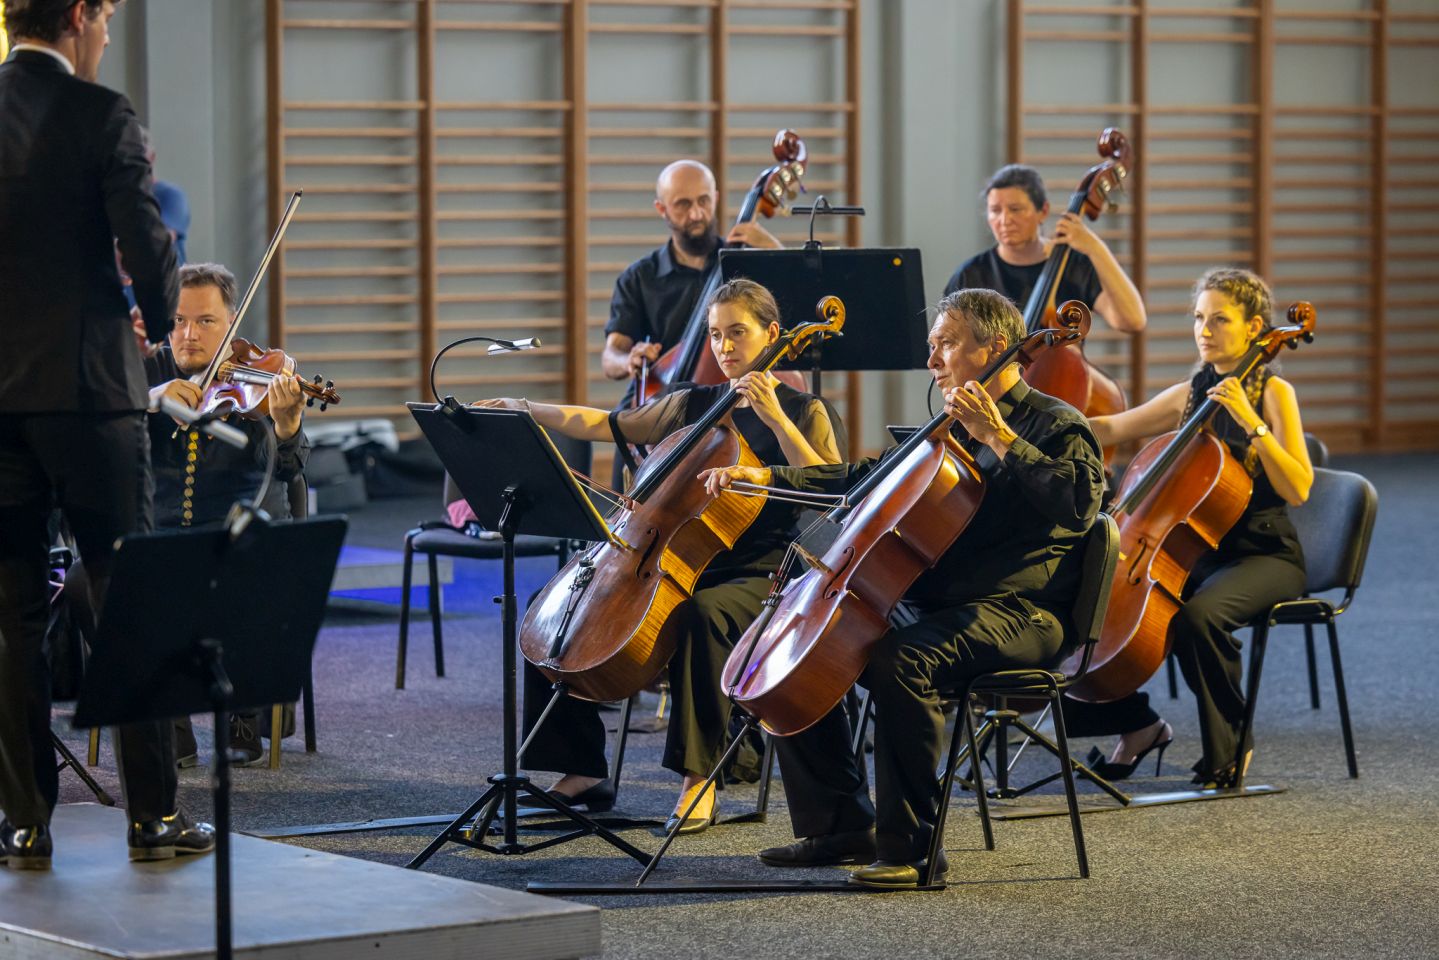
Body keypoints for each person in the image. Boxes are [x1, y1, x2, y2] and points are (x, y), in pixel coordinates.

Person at [701, 288, 1105, 887]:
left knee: (902, 657)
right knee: (813, 645)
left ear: (995, 348)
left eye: (945, 344)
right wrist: (763, 475)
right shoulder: (949, 425)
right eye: (931, 346)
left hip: (1024, 612)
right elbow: (864, 473)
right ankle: (838, 825)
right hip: (944, 604)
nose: (932, 360)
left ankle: (913, 849)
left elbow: (1080, 506)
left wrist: (1000, 438)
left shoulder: (1055, 423)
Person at [475, 278, 842, 832]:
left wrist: (776, 420)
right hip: (671, 557)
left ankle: (701, 781)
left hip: (758, 573)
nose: (724, 347)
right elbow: (607, 423)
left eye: (737, 333)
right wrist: (526, 408)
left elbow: (829, 487)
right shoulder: (696, 402)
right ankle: (579, 769)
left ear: (772, 334)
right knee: (566, 602)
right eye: (716, 335)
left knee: (703, 614)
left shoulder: (804, 409)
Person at [0, 0, 211, 870]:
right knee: (131, 599)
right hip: (90, 391)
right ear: (80, 16)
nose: (110, 35)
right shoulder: (100, 112)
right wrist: (161, 325)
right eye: (110, 18)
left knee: (9, 620)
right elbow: (147, 240)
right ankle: (152, 817)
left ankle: (21, 825)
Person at [1062, 268, 1311, 788]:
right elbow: (1112, 427)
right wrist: (1034, 419)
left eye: (1220, 319)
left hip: (1263, 556)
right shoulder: (1192, 393)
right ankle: (1135, 726)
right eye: (1199, 317)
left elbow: (1299, 487)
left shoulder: (1273, 392)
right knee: (1083, 602)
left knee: (1198, 619)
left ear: (1254, 327)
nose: (1205, 329)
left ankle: (1232, 746)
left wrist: (1252, 422)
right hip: (1199, 556)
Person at [146, 262, 309, 766]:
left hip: (235, 531)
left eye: (206, 321)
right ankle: (167, 722)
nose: (189, 335)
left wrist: (287, 424)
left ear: (232, 322)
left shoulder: (260, 378)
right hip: (161, 531)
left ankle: (246, 712)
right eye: (177, 321)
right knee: (126, 578)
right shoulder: (141, 373)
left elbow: (290, 471)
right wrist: (148, 401)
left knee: (255, 566)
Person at [601, 159, 781, 407]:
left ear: (716, 198)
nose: (696, 213)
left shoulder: (746, 264)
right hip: (658, 401)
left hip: (729, 401)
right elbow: (611, 357)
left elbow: (797, 308)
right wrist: (628, 360)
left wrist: (775, 251)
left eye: (703, 201)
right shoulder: (639, 277)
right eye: (683, 204)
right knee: (623, 436)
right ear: (661, 208)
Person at [944, 164, 1146, 335]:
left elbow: (1132, 321)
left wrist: (1096, 248)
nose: (1004, 220)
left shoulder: (1073, 266)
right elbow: (944, 346)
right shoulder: (970, 275)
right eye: (995, 211)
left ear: (1043, 211)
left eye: (1015, 209)